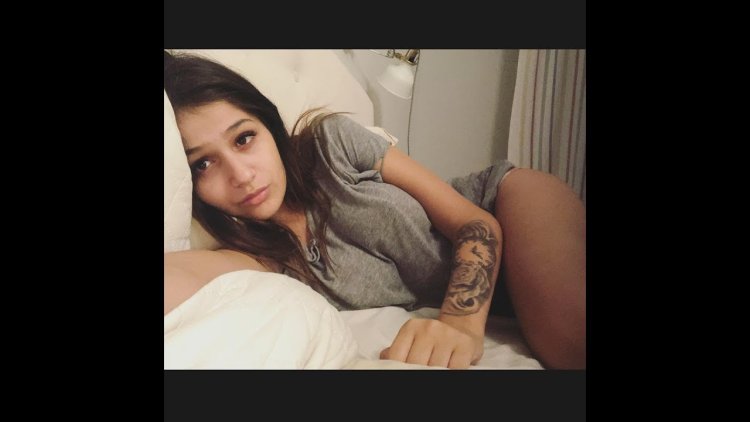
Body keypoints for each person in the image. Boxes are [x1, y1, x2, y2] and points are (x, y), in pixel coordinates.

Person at [163, 50, 586, 369]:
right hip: (506, 297)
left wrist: (460, 323)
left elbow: (473, 221)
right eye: (203, 164)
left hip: (507, 205)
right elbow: (184, 275)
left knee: (570, 345)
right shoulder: (258, 255)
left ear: (269, 125)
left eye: (244, 139)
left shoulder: (331, 143)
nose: (241, 175)